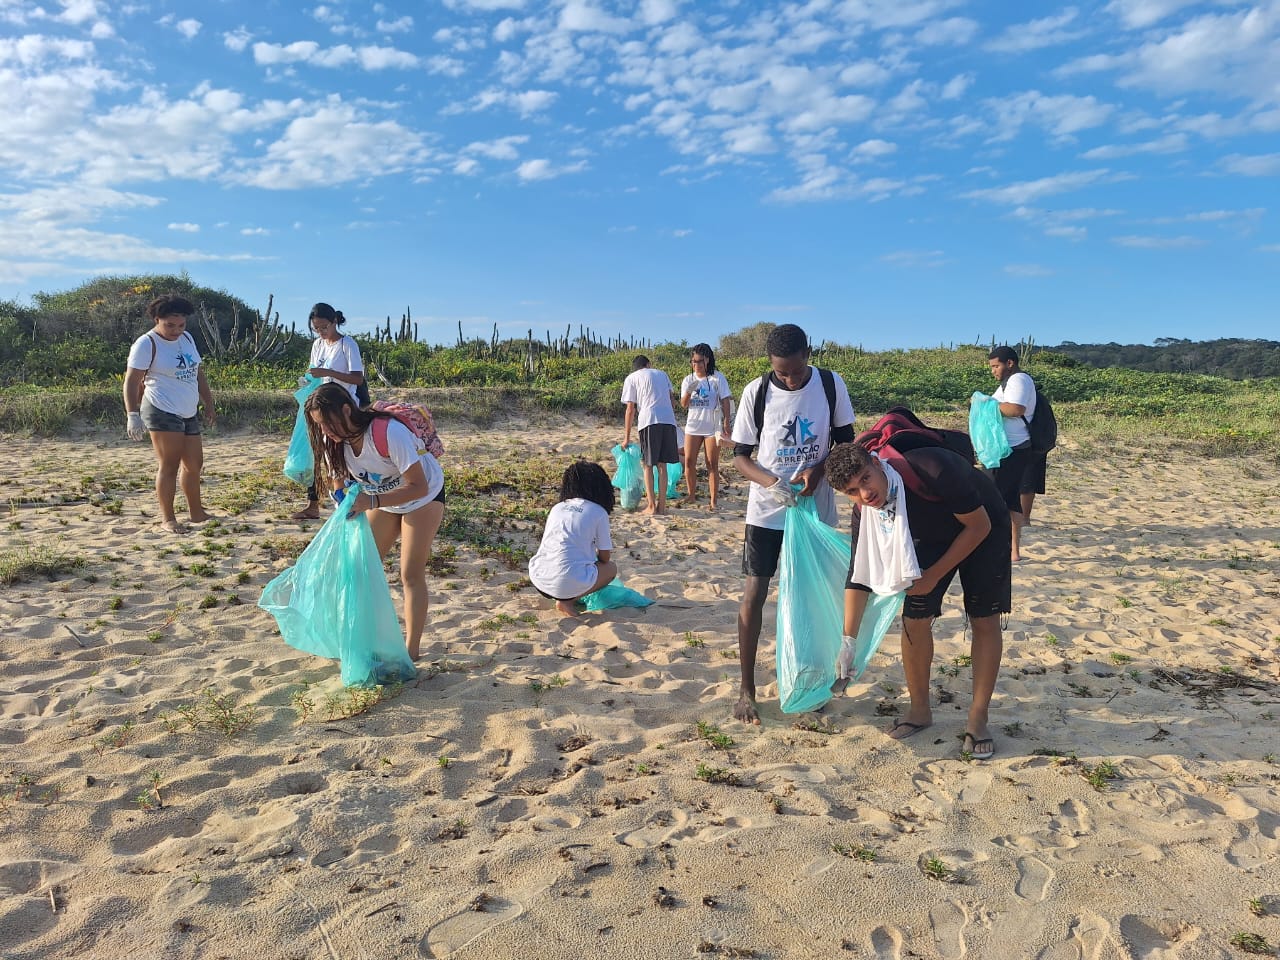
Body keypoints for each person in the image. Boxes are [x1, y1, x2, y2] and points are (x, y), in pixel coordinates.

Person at [825, 440, 1010, 760]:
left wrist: (935, 575)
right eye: (853, 491)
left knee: (983, 618)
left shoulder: (932, 468)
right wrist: (848, 641)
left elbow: (979, 526)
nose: (865, 494)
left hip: (983, 525)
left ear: (877, 463)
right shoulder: (865, 513)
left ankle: (978, 717)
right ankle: (919, 711)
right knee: (914, 618)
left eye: (866, 479)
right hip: (931, 535)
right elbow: (857, 576)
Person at [729, 323, 856, 724]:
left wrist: (818, 472)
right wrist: (770, 481)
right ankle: (746, 688)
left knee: (810, 598)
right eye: (780, 372)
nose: (788, 378)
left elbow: (847, 444)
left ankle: (813, 682)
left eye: (795, 371)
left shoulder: (831, 386)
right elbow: (741, 456)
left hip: (814, 510)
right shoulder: (757, 392)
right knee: (754, 593)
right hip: (767, 512)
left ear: (808, 354)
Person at [304, 383, 444, 661]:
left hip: (423, 496)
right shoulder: (334, 443)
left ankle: (411, 651)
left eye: (328, 423)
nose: (326, 432)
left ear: (346, 410)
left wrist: (371, 503)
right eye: (320, 426)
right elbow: (339, 484)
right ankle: (363, 639)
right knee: (359, 570)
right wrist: (343, 500)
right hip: (382, 499)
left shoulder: (388, 433)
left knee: (410, 573)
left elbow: (417, 486)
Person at [123, 294, 216, 534]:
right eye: (170, 325)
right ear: (157, 319)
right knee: (170, 464)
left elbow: (198, 372)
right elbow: (132, 381)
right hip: (161, 408)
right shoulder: (146, 344)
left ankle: (197, 512)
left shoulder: (187, 338)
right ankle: (168, 518)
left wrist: (208, 402)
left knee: (194, 464)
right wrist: (132, 414)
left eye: (181, 324)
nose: (176, 330)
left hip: (188, 409)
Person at [292, 303, 366, 520]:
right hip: (321, 405)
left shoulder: (347, 344)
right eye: (317, 328)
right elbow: (314, 372)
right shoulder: (318, 345)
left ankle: (350, 502)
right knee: (321, 452)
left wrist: (327, 371)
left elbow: (357, 378)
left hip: (343, 407)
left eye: (324, 327)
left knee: (343, 454)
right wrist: (307, 379)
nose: (321, 332)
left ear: (334, 322)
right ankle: (314, 503)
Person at [528, 461, 619, 617]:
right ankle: (567, 601)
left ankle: (567, 594)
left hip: (538, 578)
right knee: (611, 568)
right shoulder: (598, 512)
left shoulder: (557, 507)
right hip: (564, 581)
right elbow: (605, 557)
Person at [987, 346, 1036, 562]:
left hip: (1014, 449)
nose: (993, 371)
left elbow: (1016, 409)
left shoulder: (1019, 380)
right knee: (1009, 499)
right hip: (1007, 448)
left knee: (1000, 499)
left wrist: (986, 406)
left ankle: (1009, 550)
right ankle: (1013, 551)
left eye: (996, 366)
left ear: (1010, 363)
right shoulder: (1007, 383)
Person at [620, 355, 679, 516]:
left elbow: (630, 409)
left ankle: (651, 506)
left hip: (649, 420)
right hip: (668, 421)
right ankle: (662, 506)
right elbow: (672, 401)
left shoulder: (632, 378)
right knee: (662, 465)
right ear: (648, 364)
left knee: (647, 464)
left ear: (636, 368)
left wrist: (626, 438)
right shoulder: (662, 374)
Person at [679, 343, 732, 509]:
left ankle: (713, 500)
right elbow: (684, 404)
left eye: (699, 361)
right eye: (693, 361)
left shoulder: (717, 378)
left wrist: (726, 422)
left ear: (707, 360)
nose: (695, 365)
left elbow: (725, 400)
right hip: (693, 427)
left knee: (712, 464)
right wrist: (689, 391)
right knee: (689, 462)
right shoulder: (688, 379)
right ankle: (691, 495)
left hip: (711, 427)